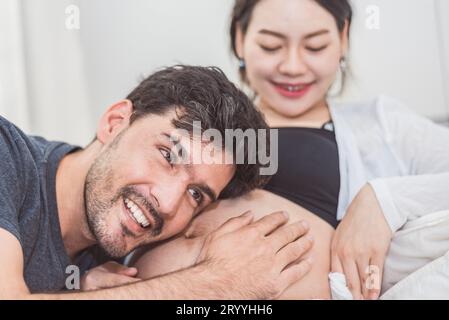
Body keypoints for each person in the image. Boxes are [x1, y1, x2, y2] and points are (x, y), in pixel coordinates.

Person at [134, 0, 449, 299]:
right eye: (271, 46)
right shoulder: (209, 118)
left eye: (315, 46)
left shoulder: (384, 124)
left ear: (343, 38)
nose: (293, 66)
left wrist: (386, 199)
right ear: (241, 39)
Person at [0, 65, 314, 299]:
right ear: (115, 123)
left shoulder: (105, 264)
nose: (166, 202)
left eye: (195, 194)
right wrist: (215, 281)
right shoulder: (6, 154)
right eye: (168, 155)